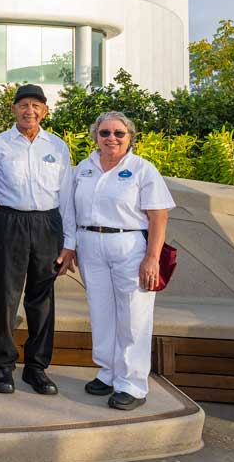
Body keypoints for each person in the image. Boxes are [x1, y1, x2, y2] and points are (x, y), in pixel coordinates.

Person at [0, 84, 77, 396]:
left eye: (36, 105)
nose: (29, 110)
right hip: (9, 222)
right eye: (23, 105)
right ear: (13, 109)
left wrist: (69, 242)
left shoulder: (57, 147)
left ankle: (36, 367)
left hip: (48, 224)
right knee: (5, 298)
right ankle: (4, 365)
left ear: (45, 111)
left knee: (42, 299)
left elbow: (67, 197)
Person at [73, 111, 174, 410]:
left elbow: (159, 215)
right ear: (96, 137)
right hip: (90, 244)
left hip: (129, 245)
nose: (111, 138)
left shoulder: (143, 169)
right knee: (101, 313)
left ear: (130, 137)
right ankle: (108, 373)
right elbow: (70, 209)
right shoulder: (84, 168)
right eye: (105, 133)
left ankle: (132, 383)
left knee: (133, 316)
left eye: (119, 133)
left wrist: (152, 258)